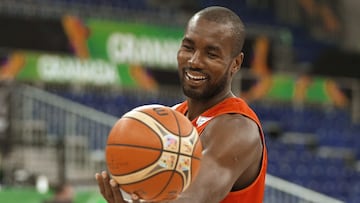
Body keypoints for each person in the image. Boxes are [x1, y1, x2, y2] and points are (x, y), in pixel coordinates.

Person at [95, 6, 267, 203]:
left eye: (211, 54)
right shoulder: (173, 119)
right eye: (188, 47)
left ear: (235, 63)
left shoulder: (238, 129)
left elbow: (193, 198)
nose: (194, 61)